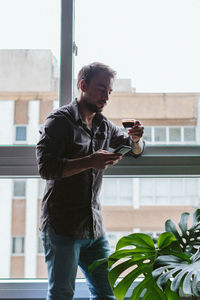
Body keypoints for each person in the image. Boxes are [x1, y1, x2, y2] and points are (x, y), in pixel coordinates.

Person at [36, 62, 144, 300]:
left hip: (94, 228)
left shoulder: (104, 125)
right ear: (83, 85)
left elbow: (133, 149)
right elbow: (46, 168)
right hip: (62, 227)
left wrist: (135, 139)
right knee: (61, 295)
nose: (106, 96)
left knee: (107, 294)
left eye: (109, 91)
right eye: (101, 89)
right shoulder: (58, 121)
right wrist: (89, 161)